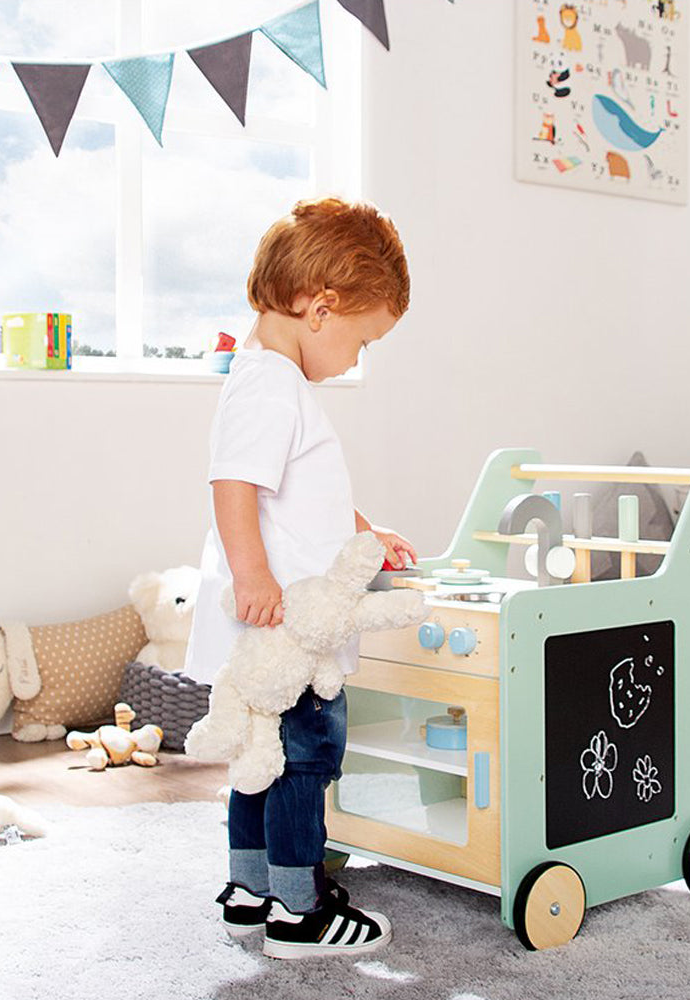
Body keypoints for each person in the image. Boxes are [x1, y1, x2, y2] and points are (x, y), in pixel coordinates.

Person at [183, 197, 417, 960]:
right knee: (304, 757)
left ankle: (250, 890)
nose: (356, 359)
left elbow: (304, 496)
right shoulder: (270, 385)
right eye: (362, 340)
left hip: (277, 624)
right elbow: (233, 484)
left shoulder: (270, 381)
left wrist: (365, 532)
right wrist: (253, 575)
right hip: (284, 628)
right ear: (322, 308)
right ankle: (298, 908)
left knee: (260, 757)